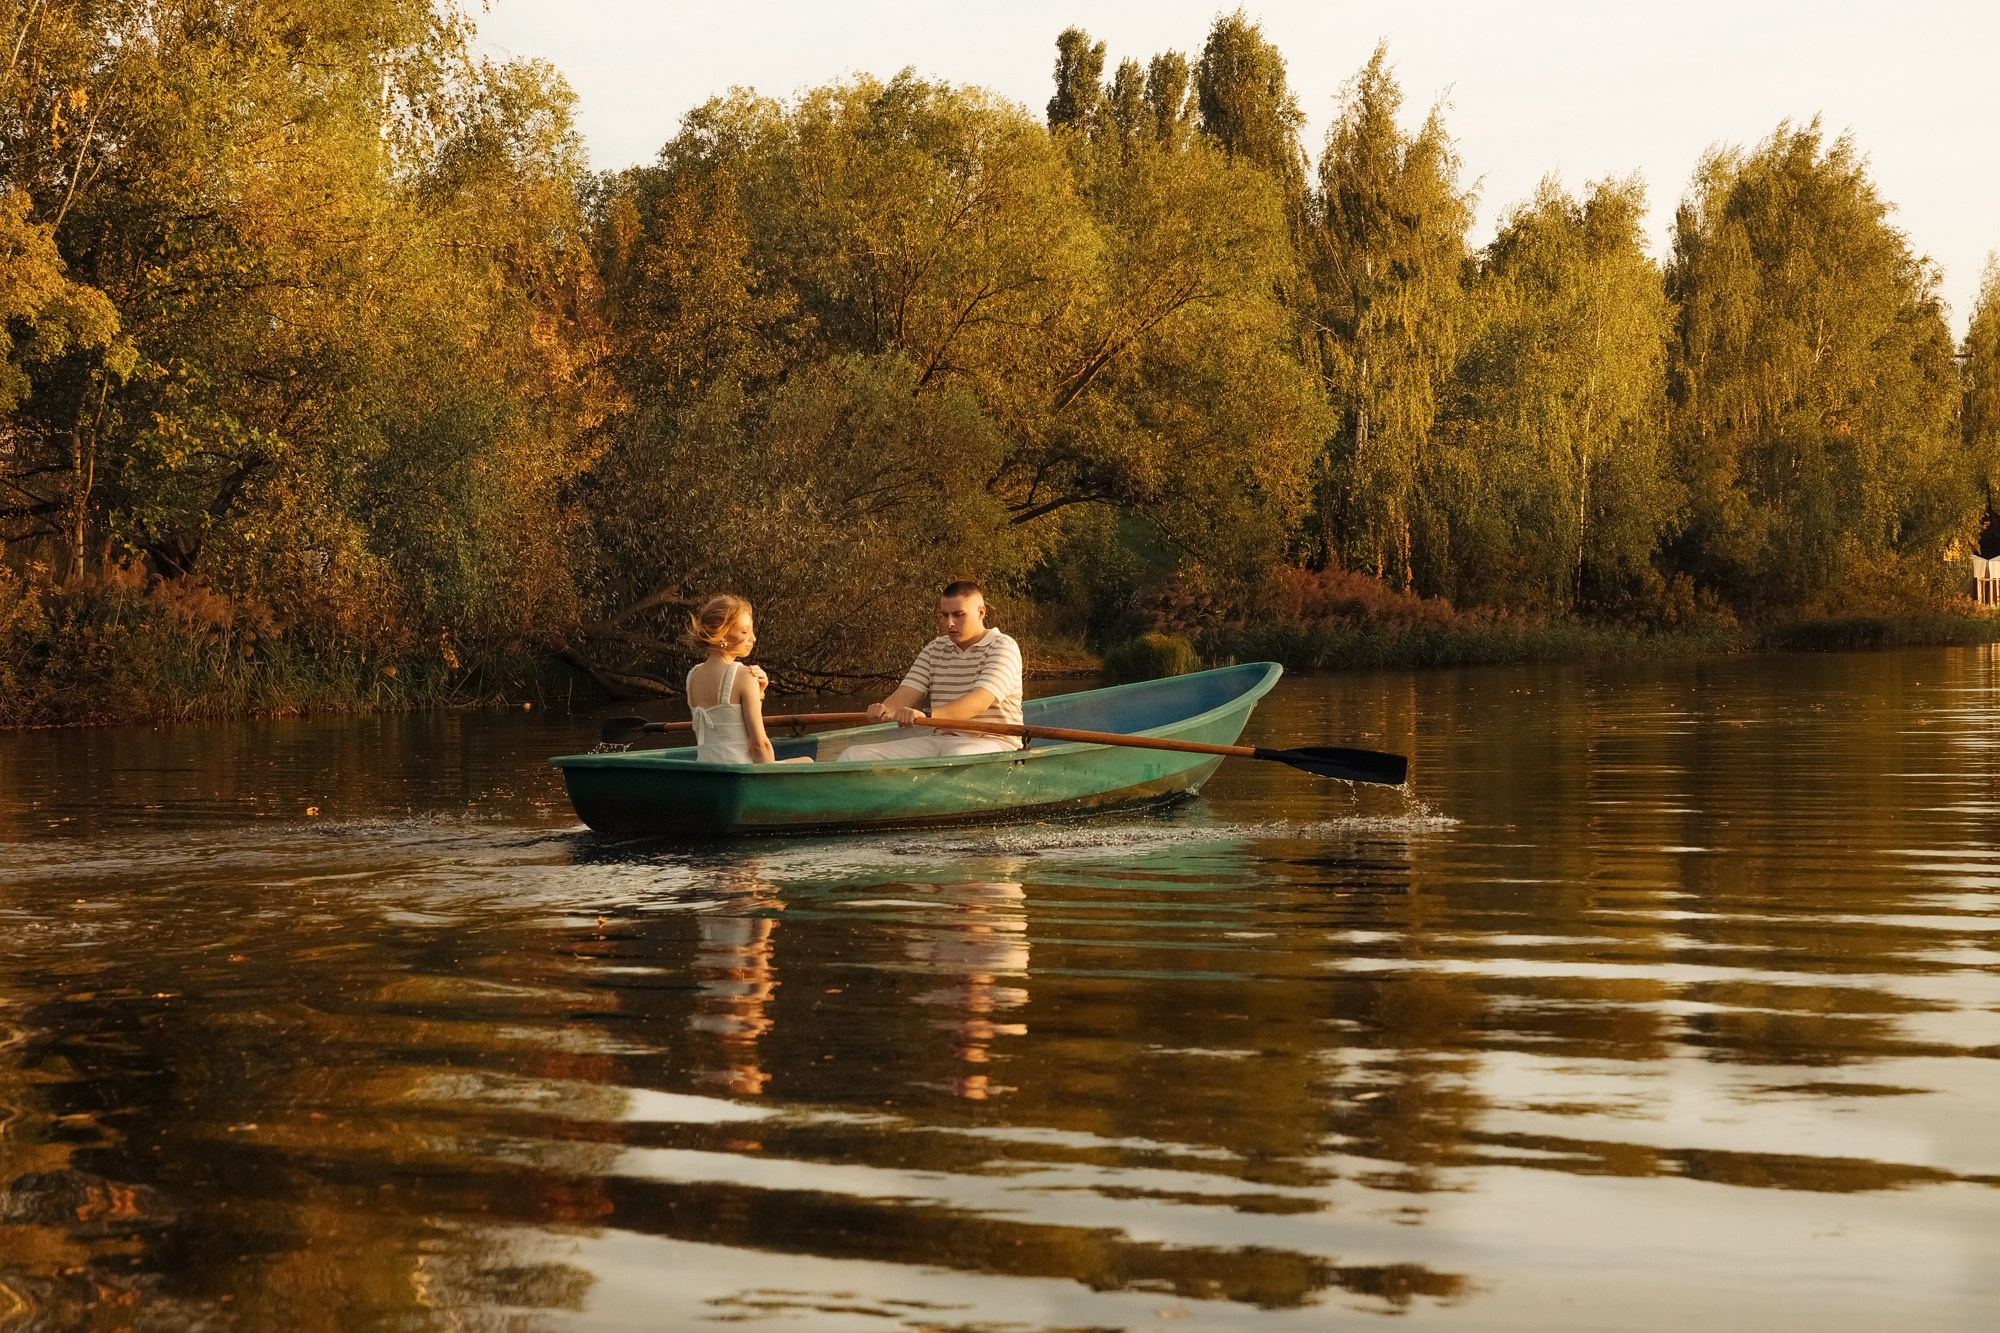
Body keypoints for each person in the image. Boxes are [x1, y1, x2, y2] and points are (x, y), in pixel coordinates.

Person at [840, 581, 1023, 763]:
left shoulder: (1003, 647)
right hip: (942, 739)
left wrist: (926, 715)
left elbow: (979, 701)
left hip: (996, 741)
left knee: (957, 757)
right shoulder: (935, 648)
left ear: (981, 612)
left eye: (958, 615)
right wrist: (886, 709)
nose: (950, 623)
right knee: (854, 754)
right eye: (944, 615)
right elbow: (905, 694)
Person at [684, 595, 805, 765]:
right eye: (744, 631)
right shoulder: (744, 675)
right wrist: (770, 778)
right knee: (807, 761)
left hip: (708, 771)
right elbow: (759, 745)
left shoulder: (692, 676)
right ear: (723, 634)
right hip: (740, 773)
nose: (753, 638)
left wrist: (759, 693)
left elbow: (729, 722)